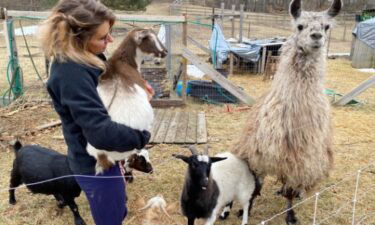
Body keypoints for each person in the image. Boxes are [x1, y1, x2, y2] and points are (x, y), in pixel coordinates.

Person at [40, 0, 152, 224]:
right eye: (102, 37)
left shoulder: (86, 58)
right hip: (95, 165)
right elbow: (100, 132)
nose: (110, 40)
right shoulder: (70, 73)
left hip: (107, 156)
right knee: (111, 218)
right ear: (77, 40)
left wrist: (134, 88)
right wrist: (142, 136)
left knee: (117, 208)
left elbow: (104, 84)